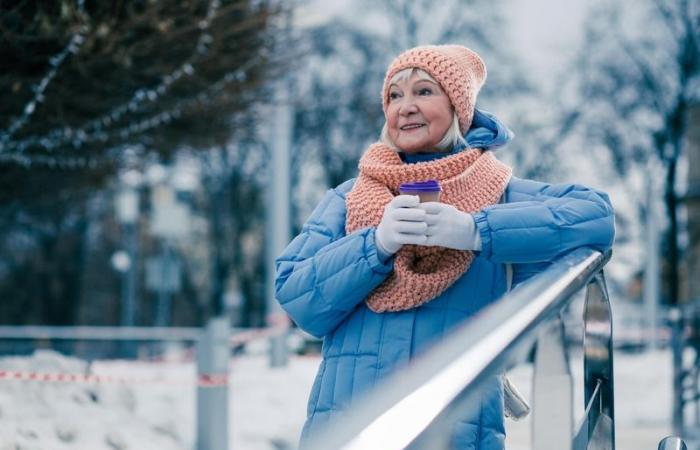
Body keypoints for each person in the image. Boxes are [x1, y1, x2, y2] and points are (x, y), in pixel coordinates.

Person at [275, 45, 615, 449]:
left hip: (455, 430)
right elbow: (297, 297)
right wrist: (376, 244)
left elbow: (596, 216)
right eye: (394, 96)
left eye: (424, 91)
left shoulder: (500, 194)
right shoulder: (348, 198)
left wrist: (476, 230)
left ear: (458, 107)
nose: (406, 107)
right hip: (350, 427)